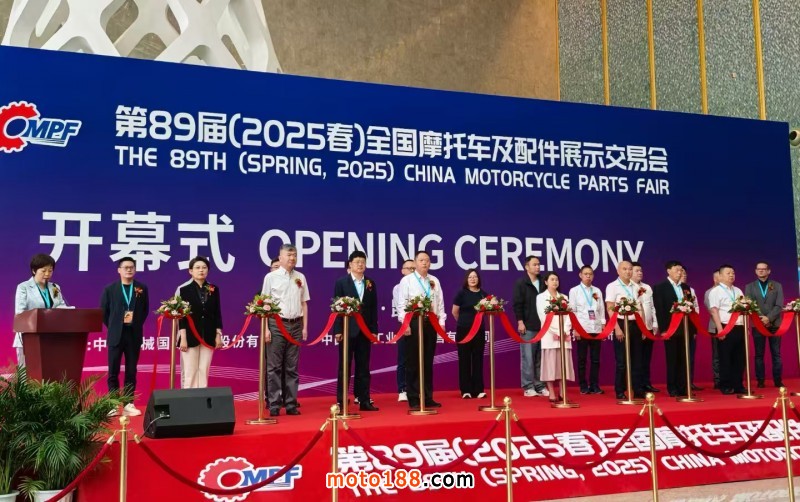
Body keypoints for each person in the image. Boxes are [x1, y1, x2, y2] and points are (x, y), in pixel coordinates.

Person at [262, 244, 309, 416]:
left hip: (295, 324)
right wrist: (266, 329)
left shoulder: (300, 277)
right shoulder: (271, 277)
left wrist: (305, 327)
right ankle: (274, 404)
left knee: (292, 367)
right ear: (280, 258)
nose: (292, 258)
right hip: (276, 324)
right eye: (288, 255)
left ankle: (291, 403)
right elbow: (264, 304)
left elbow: (304, 303)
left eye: (294, 255)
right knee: (274, 366)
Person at [396, 250, 445, 410]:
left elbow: (440, 303)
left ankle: (427, 396)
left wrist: (441, 322)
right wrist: (405, 324)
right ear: (415, 263)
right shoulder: (407, 280)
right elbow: (401, 304)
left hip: (431, 322)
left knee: (428, 360)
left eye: (427, 260)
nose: (425, 263)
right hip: (414, 322)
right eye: (421, 260)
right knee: (413, 361)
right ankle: (413, 397)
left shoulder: (434, 280)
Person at [101, 257, 149, 416]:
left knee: (131, 370)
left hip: (133, 334)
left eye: (132, 267)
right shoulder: (110, 289)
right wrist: (115, 325)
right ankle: (113, 404)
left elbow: (145, 310)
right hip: (116, 334)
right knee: (113, 371)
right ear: (119, 270)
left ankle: (128, 404)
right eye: (126, 267)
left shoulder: (141, 288)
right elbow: (104, 312)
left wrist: (135, 323)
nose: (129, 270)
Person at [333, 251, 379, 412]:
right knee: (344, 366)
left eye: (362, 262)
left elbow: (373, 309)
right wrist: (338, 330)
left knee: (364, 367)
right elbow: (336, 307)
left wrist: (374, 330)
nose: (360, 264)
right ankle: (341, 401)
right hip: (347, 330)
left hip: (365, 331)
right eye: (357, 262)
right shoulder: (341, 282)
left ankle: (364, 400)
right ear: (350, 264)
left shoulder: (370, 283)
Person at [177, 256, 223, 389]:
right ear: (190, 271)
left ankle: (202, 398)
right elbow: (182, 316)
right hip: (190, 335)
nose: (201, 270)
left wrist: (218, 335)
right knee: (190, 371)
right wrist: (183, 338)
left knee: (204, 370)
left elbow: (217, 313)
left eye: (204, 267)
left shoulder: (214, 289)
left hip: (208, 335)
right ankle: (188, 398)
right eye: (197, 268)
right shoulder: (184, 290)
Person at [14, 254, 67, 366]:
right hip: (29, 337)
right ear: (34, 271)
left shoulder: (55, 288)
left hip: (50, 336)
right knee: (27, 373)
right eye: (43, 271)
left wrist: (67, 310)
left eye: (50, 271)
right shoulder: (24, 287)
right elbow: (20, 313)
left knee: (50, 370)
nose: (47, 274)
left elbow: (59, 305)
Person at [653, 260, 694, 397]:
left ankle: (683, 387)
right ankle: (673, 388)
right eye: (677, 270)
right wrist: (664, 329)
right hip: (670, 328)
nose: (680, 272)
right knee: (672, 359)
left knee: (684, 358)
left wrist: (692, 329)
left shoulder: (685, 287)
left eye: (681, 270)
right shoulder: (660, 287)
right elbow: (660, 309)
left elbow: (691, 309)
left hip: (685, 328)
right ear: (668, 271)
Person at [605, 260, 645, 400]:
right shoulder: (612, 286)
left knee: (637, 360)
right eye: (624, 269)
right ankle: (620, 390)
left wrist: (643, 327)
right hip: (621, 323)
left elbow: (640, 308)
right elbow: (610, 308)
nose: (628, 271)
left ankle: (637, 389)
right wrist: (616, 328)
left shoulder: (636, 286)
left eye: (630, 269)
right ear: (618, 271)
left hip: (636, 324)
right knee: (622, 361)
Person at [744, 261, 785, 388]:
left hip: (775, 324)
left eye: (763, 269)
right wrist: (762, 318)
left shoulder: (777, 286)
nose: (761, 270)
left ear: (768, 271)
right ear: (755, 271)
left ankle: (777, 380)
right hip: (758, 323)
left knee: (776, 353)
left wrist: (769, 318)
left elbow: (779, 305)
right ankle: (760, 380)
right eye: (758, 269)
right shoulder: (749, 287)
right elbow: (750, 304)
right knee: (759, 354)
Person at [513, 256, 548, 397]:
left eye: (539, 264)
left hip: (544, 326)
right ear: (527, 267)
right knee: (528, 358)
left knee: (541, 358)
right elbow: (518, 304)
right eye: (534, 264)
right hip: (528, 326)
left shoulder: (544, 282)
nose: (537, 267)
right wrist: (520, 322)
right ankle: (528, 386)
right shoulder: (521, 283)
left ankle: (540, 385)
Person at [708, 264, 746, 395]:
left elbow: (744, 308)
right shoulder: (716, 291)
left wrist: (745, 327)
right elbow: (714, 311)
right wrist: (720, 329)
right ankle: (725, 385)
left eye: (733, 273)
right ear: (720, 275)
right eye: (728, 273)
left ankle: (738, 384)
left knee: (739, 358)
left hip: (739, 326)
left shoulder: (738, 290)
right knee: (725, 357)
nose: (731, 275)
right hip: (725, 326)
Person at [536, 272, 574, 402]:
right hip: (549, 335)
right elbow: (543, 317)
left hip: (564, 335)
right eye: (552, 279)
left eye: (556, 279)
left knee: (563, 366)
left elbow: (569, 316)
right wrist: (557, 331)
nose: (555, 282)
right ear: (546, 282)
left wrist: (565, 330)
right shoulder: (541, 297)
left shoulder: (564, 297)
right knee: (550, 366)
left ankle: (563, 392)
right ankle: (551, 392)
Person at [568, 266, 606, 394]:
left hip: (596, 328)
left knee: (596, 359)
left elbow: (601, 309)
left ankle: (594, 385)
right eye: (585, 274)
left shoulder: (597, 290)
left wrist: (603, 324)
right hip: (582, 329)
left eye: (590, 274)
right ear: (580, 275)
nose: (588, 276)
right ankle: (583, 385)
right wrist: (575, 328)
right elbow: (572, 311)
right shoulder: (574, 291)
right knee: (582, 359)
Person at [452, 268, 487, 399]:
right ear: (466, 279)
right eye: (470, 277)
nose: (473, 279)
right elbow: (455, 312)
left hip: (479, 331)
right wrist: (463, 322)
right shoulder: (461, 293)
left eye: (475, 277)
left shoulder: (483, 294)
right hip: (464, 330)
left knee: (478, 359)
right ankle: (465, 390)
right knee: (464, 359)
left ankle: (478, 389)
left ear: (478, 279)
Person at [632, 262, 659, 393]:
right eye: (637, 270)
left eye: (641, 270)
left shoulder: (647, 287)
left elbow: (652, 307)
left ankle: (646, 383)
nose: (640, 273)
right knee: (636, 358)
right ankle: (635, 385)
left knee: (646, 358)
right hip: (636, 328)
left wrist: (655, 324)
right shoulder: (629, 288)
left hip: (648, 327)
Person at [392, 259, 415, 402]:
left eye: (414, 268)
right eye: (409, 268)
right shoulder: (398, 287)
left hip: (419, 324)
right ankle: (402, 389)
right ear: (402, 271)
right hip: (404, 324)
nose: (412, 271)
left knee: (416, 359)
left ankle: (415, 389)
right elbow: (402, 306)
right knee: (403, 359)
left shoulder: (422, 284)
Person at [680, 267, 702, 390]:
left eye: (685, 273)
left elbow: (696, 309)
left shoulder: (690, 290)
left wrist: (694, 328)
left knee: (690, 356)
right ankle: (681, 383)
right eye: (680, 272)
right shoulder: (671, 289)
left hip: (690, 326)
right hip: (677, 327)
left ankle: (689, 382)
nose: (683, 275)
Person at [704, 270, 721, 389]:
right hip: (715, 327)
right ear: (715, 279)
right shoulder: (709, 292)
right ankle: (718, 380)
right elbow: (711, 310)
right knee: (717, 355)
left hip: (731, 327)